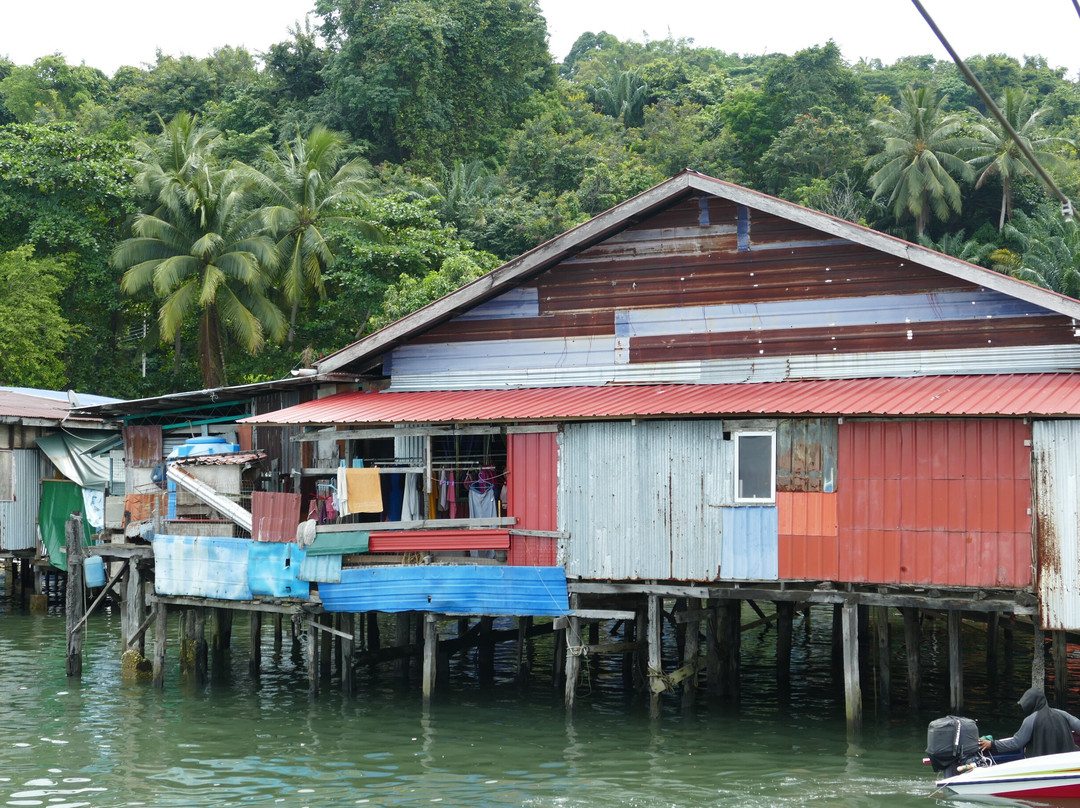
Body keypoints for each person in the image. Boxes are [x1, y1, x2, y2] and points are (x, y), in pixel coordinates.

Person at [978, 687, 1080, 757]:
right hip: (1067, 761)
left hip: (1041, 763)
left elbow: (1017, 743)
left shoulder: (1030, 719)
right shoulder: (1062, 713)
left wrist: (992, 744)